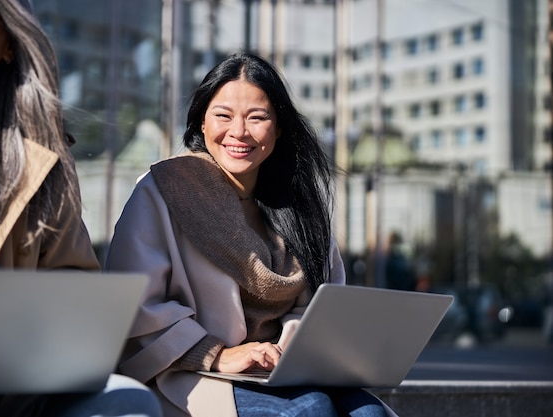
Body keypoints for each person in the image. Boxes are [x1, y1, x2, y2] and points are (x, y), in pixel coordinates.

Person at [106, 52, 398, 417]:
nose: (239, 132)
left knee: (369, 414)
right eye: (223, 115)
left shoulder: (298, 204)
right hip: (188, 372)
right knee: (310, 410)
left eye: (257, 117)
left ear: (278, 127)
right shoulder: (162, 190)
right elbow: (133, 304)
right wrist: (218, 354)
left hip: (282, 372)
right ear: (200, 121)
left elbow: (323, 305)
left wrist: (284, 351)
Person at [0, 0, 161, 416]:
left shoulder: (38, 159)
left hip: (16, 382)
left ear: (8, 44)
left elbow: (74, 285)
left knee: (130, 402)